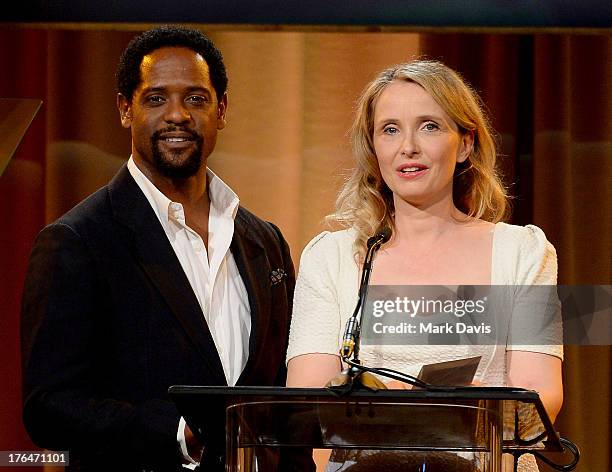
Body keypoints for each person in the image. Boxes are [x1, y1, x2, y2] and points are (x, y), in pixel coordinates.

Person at [21, 26, 294, 471]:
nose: (177, 115)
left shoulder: (266, 242)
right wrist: (176, 433)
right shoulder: (77, 241)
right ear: (125, 110)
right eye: (155, 98)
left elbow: (282, 394)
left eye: (195, 98)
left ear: (221, 110)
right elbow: (49, 406)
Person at [286, 60, 563, 471]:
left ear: (466, 143)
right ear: (374, 146)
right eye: (390, 129)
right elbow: (309, 403)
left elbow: (538, 399)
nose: (408, 147)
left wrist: (392, 405)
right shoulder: (329, 258)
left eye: (429, 126)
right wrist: (438, 406)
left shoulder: (523, 253)